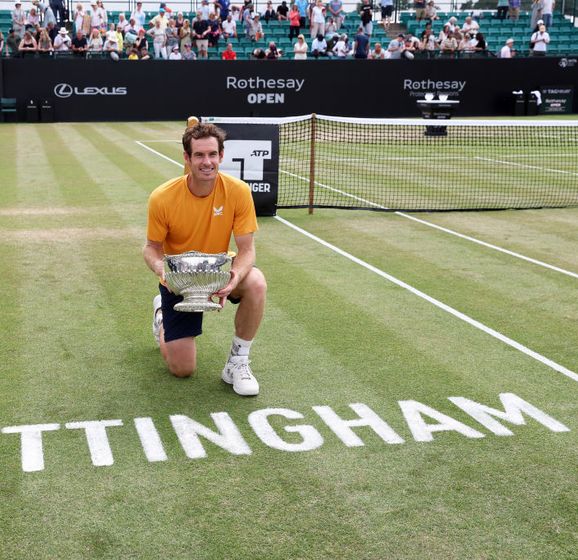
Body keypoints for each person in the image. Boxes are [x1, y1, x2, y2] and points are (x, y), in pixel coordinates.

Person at [144, 122, 266, 396]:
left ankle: (237, 362)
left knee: (256, 281)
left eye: (212, 154)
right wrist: (161, 269)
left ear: (221, 155)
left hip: (218, 270)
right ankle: (162, 316)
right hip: (179, 281)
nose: (207, 162)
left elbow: (246, 250)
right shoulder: (162, 197)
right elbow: (151, 248)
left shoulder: (238, 191)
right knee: (182, 369)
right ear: (187, 159)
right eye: (199, 155)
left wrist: (234, 277)